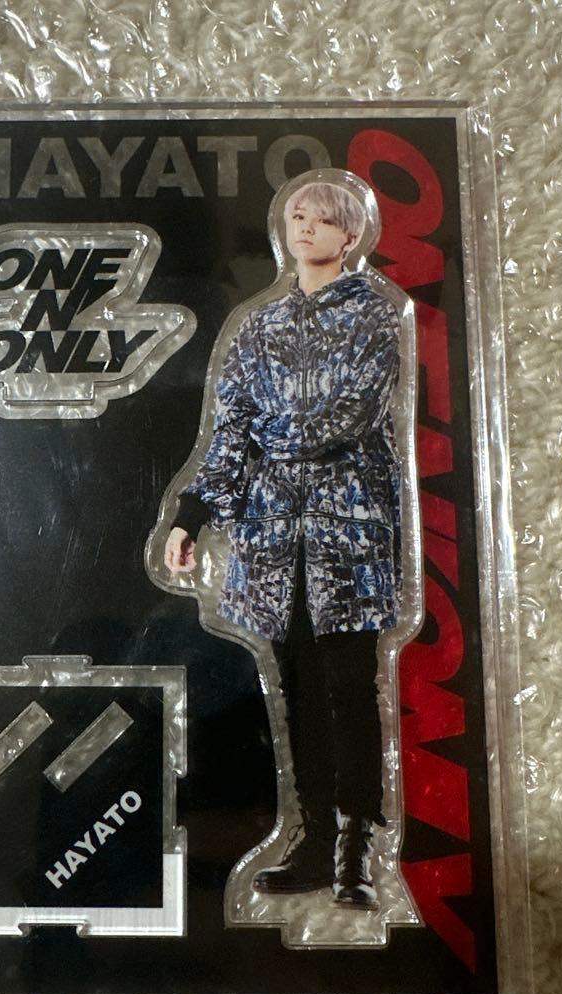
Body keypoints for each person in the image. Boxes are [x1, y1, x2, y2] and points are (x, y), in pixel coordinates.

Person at [164, 178, 404, 908]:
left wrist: (275, 436)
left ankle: (359, 842)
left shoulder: (374, 317)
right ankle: (316, 836)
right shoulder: (259, 328)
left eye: (323, 220)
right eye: (298, 216)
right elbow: (230, 432)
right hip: (274, 536)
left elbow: (350, 414)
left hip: (349, 528)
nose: (306, 228)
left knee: (350, 684)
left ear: (349, 236)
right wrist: (191, 515)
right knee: (296, 683)